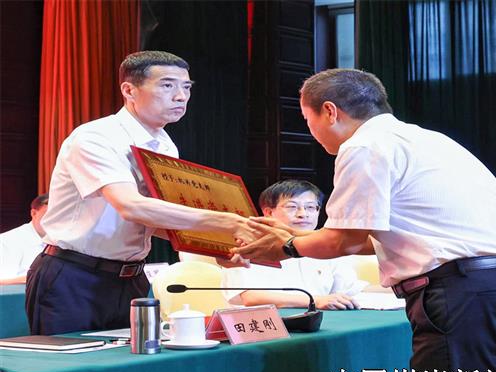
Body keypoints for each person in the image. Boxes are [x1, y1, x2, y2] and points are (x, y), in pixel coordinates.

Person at [234, 69, 496, 372]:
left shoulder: (364, 146)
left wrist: (285, 246)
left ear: (330, 111)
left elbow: (347, 241)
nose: (311, 131)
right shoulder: (430, 141)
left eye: (308, 120)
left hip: (463, 299)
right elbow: (385, 235)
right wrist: (295, 236)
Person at [26, 51, 255, 336]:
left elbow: (158, 221)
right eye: (167, 85)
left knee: (129, 360)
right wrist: (226, 222)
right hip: (75, 275)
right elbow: (131, 206)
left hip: (131, 278)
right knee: (73, 360)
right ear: (129, 90)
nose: (181, 96)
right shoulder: (96, 137)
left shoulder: (165, 145)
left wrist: (218, 249)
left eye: (186, 87)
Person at [222, 180, 368, 310]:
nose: (303, 214)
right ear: (268, 212)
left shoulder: (327, 246)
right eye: (292, 207)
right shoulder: (248, 244)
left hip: (316, 322)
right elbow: (252, 297)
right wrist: (315, 301)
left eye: (311, 207)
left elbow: (349, 292)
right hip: (262, 324)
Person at [0, 194, 48, 284]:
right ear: (34, 213)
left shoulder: (64, 240)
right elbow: (3, 282)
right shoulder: (8, 241)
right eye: (48, 215)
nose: (54, 220)